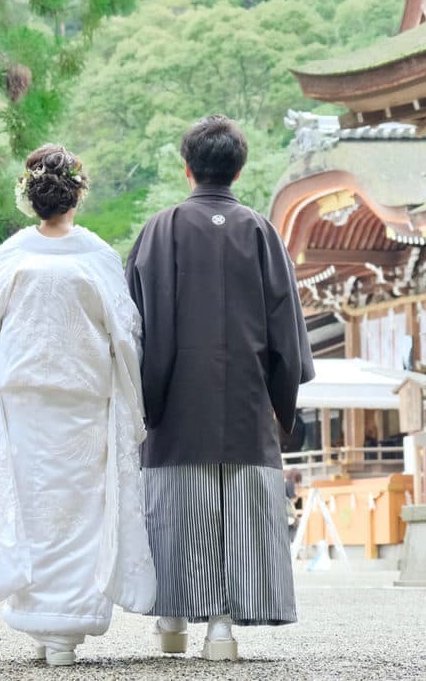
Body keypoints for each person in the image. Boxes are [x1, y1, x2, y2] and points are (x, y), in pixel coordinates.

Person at [0, 144, 156, 667]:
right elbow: (126, 331)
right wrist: (132, 393)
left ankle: (44, 625)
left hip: (25, 400)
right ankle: (63, 626)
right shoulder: (97, 255)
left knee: (30, 506)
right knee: (80, 509)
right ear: (77, 194)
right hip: (83, 400)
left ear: (30, 196)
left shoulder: (13, 252)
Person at [126, 115, 315, 661]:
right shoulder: (261, 232)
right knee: (236, 518)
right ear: (239, 169)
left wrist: (141, 400)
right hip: (245, 410)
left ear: (187, 168)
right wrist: (280, 406)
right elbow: (286, 333)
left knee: (175, 515)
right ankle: (222, 629)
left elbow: (131, 328)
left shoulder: (159, 230)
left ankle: (171, 619)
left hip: (173, 409)